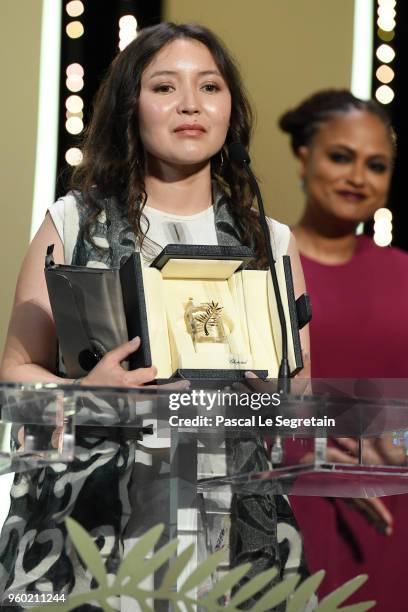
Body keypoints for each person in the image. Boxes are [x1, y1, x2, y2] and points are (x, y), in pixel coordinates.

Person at [0, 23, 310, 607]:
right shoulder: (74, 223)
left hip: (231, 526)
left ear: (230, 111)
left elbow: (301, 398)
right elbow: (16, 374)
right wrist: (88, 393)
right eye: (165, 87)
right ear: (129, 109)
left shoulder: (269, 240)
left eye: (210, 88)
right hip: (94, 528)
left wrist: (272, 391)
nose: (191, 104)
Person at [279, 89, 408, 611]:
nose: (358, 176)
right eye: (341, 156)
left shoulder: (403, 274)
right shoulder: (261, 267)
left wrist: (401, 443)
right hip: (286, 510)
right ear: (305, 158)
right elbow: (220, 401)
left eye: (376, 165)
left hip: (391, 516)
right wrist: (304, 455)